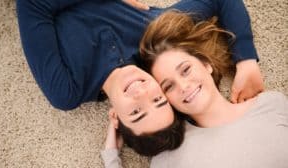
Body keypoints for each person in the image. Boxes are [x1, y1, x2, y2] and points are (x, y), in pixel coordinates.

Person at [17, 0, 263, 151]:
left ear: (115, 118)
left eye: (135, 112)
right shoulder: (155, 37)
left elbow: (31, 5)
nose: (141, 93)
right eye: (158, 100)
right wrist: (246, 62)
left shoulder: (67, 91)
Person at [102, 10, 288, 168]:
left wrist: (246, 61)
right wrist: (111, 155)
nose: (183, 87)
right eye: (168, 86)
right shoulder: (168, 154)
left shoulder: (272, 104)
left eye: (185, 70)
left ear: (206, 64)